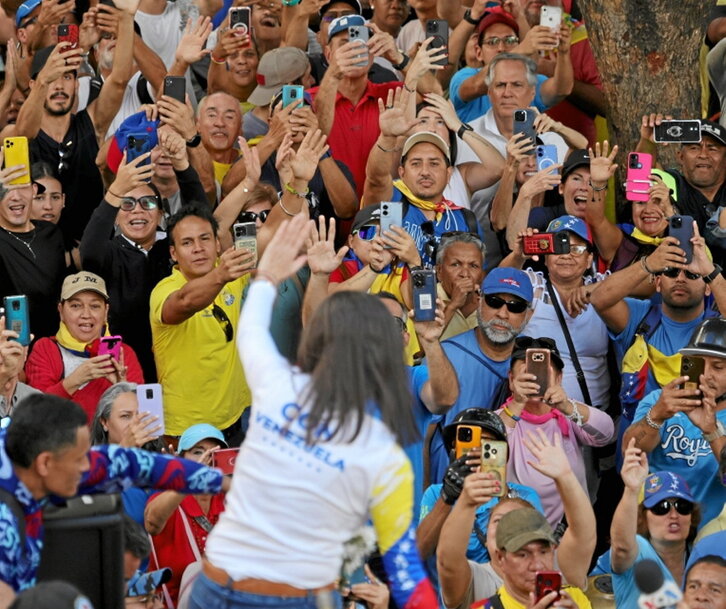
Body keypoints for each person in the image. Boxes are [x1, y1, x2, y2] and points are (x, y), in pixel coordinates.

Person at [190, 214, 437, 609]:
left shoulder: (279, 385)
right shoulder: (383, 453)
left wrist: (268, 276)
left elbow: (251, 330)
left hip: (221, 590)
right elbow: (405, 568)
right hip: (274, 597)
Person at [0, 393, 230, 605]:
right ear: (45, 463)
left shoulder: (56, 461)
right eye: (80, 459)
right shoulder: (4, 523)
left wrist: (225, 482)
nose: (88, 467)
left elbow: (139, 464)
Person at [81, 128, 205, 381]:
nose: (137, 211)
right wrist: (116, 190)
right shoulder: (109, 252)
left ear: (161, 213)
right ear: (116, 215)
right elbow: (89, 250)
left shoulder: (174, 248)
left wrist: (182, 165)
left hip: (181, 357)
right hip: (127, 366)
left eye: (148, 203)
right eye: (127, 204)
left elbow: (200, 217)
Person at [590, 226, 726, 443]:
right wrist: (648, 264)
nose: (680, 278)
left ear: (708, 287)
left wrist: (710, 270)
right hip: (638, 461)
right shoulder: (638, 316)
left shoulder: (718, 328)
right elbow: (598, 299)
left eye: (692, 273)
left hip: (701, 466)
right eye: (671, 271)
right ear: (658, 282)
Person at [436, 430, 597, 609]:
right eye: (522, 554)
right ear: (498, 554)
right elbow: (448, 561)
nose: (536, 563)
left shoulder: (561, 581)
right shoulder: (477, 582)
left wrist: (566, 477)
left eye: (543, 551)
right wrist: (466, 502)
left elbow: (583, 534)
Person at [149, 204, 254, 445]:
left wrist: (296, 186)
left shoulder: (230, 272)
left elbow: (269, 231)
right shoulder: (164, 290)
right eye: (187, 243)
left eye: (204, 239)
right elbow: (184, 302)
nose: (198, 249)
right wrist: (220, 276)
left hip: (236, 417)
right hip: (185, 428)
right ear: (174, 254)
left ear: (218, 245)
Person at [427, 267, 533, 484]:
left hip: (506, 495)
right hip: (448, 488)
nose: (502, 314)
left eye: (515, 306)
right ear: (479, 300)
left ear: (528, 314)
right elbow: (422, 436)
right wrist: (424, 496)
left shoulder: (533, 365)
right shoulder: (445, 354)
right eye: (494, 301)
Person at [497, 336, 614, 526]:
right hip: (518, 534)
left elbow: (606, 433)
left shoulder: (568, 413)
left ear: (558, 378)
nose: (534, 379)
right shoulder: (501, 417)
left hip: (569, 535)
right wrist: (518, 403)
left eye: (542, 372)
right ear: (512, 379)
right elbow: (489, 450)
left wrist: (566, 406)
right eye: (527, 372)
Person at [623, 318, 726, 525]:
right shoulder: (659, 400)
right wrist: (657, 415)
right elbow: (629, 450)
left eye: (718, 367)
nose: (707, 375)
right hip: (658, 527)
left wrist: (711, 430)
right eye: (698, 364)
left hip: (712, 536)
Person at [24, 272, 144, 422]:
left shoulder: (123, 353)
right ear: (61, 311)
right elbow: (35, 415)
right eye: (76, 306)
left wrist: (122, 387)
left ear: (106, 312)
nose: (86, 314)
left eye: (95, 306)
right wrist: (75, 380)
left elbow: (143, 422)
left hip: (111, 445)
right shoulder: (45, 348)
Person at [608, 442, 700, 609]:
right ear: (642, 517)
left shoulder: (701, 557)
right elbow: (621, 547)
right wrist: (631, 489)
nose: (673, 515)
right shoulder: (639, 550)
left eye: (683, 507)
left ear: (692, 516)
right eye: (661, 508)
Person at [145, 423, 228, 606]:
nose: (206, 460)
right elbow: (152, 523)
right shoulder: (167, 497)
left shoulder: (230, 501)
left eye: (215, 453)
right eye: (198, 452)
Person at [449, 9, 573, 124]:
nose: (501, 48)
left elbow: (561, 90)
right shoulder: (463, 76)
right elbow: (476, 86)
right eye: (492, 42)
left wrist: (564, 53)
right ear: (478, 52)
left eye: (509, 40)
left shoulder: (528, 79)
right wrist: (520, 50)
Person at [0, 159, 66, 339]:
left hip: (52, 348)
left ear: (33, 190)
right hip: (10, 350)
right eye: (5, 189)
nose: (15, 196)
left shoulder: (52, 233)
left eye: (22, 186)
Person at [484, 506, 592, 609]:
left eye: (543, 552)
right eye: (523, 555)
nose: (537, 565)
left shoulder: (574, 597)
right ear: (500, 558)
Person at [435, 231, 487, 340]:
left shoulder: (488, 306)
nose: (465, 274)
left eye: (473, 266)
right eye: (456, 264)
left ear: (482, 275)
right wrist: (453, 306)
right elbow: (419, 354)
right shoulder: (427, 299)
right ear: (439, 271)